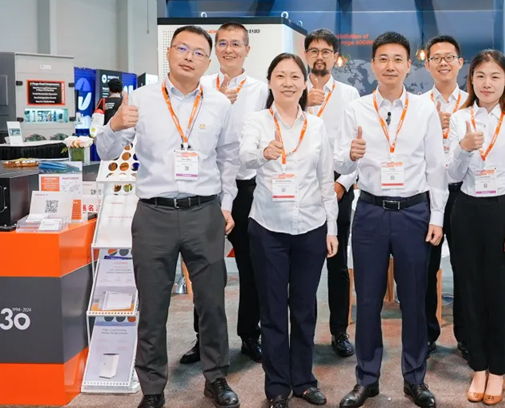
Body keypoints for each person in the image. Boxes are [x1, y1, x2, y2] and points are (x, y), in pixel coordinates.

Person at [96, 25, 240, 408]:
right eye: (182, 48)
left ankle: (216, 378)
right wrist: (114, 125)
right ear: (169, 53)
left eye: (198, 52)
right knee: (153, 305)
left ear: (208, 62)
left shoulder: (219, 104)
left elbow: (228, 158)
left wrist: (226, 204)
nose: (189, 57)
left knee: (211, 302)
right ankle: (153, 389)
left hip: (204, 213)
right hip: (153, 214)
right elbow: (107, 153)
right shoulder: (140, 100)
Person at [334, 31, 446, 408]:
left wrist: (437, 217)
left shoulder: (424, 110)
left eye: (398, 59)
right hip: (370, 211)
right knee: (367, 300)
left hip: (414, 212)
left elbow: (436, 168)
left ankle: (415, 379)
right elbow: (341, 162)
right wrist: (350, 154)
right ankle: (367, 379)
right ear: (373, 64)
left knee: (414, 300)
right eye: (383, 59)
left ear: (409, 65)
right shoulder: (357, 109)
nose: (390, 66)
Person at [240, 53, 339, 408]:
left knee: (304, 308)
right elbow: (243, 158)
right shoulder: (256, 121)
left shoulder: (316, 126)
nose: (288, 82)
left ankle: (304, 380)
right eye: (280, 76)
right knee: (272, 310)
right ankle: (277, 386)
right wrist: (263, 153)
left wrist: (331, 228)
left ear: (304, 83)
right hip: (268, 226)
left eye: (295, 76)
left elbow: (325, 180)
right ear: (270, 82)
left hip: (311, 226)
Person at [446, 49, 505, 405]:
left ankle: (498, 369)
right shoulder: (460, 117)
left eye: (495, 76)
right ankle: (478, 366)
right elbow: (451, 175)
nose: (487, 83)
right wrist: (463, 148)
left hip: (503, 210)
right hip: (466, 210)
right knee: (469, 290)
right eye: (480, 76)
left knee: (501, 292)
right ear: (471, 80)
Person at [182, 22, 269, 366]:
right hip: (206, 187)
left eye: (236, 44)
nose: (229, 49)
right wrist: (214, 103)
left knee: (251, 266)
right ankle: (204, 337)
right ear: (214, 49)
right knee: (206, 268)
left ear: (247, 50)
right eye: (222, 43)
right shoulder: (200, 85)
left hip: (247, 187)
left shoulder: (261, 90)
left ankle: (250, 334)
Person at [303, 28, 361, 359]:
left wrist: (344, 183)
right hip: (299, 184)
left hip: (338, 184)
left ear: (336, 57)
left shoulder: (349, 94)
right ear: (306, 55)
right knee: (304, 264)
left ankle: (340, 331)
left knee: (338, 264)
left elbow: (356, 144)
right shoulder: (293, 89)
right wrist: (304, 104)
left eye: (326, 51)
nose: (320, 56)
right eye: (314, 50)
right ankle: (303, 332)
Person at [420, 35, 469, 359]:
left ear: (460, 63)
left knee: (466, 269)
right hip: (428, 194)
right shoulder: (418, 105)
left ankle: (466, 335)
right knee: (426, 268)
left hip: (466, 194)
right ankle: (426, 334)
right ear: (427, 65)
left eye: (449, 57)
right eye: (436, 58)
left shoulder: (473, 102)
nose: (443, 63)